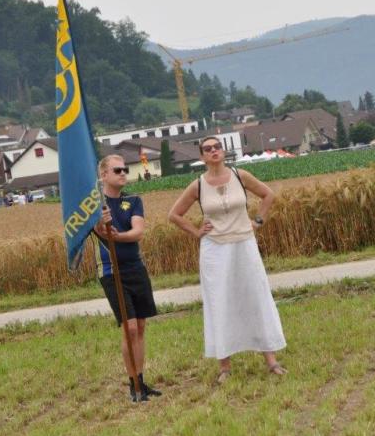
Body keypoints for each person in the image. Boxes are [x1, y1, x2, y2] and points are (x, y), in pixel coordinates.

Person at [168, 137, 287, 384]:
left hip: (244, 243)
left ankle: (271, 360)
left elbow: (268, 195)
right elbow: (174, 215)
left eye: (217, 147)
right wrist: (196, 232)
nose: (214, 151)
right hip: (214, 249)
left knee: (255, 295)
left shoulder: (240, 175)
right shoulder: (198, 185)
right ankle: (225, 367)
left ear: (223, 151)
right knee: (219, 301)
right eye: (208, 149)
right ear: (202, 156)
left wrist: (258, 222)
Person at [93, 154, 162, 402]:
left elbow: (138, 232)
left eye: (125, 169)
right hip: (111, 270)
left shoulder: (133, 200)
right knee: (129, 327)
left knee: (140, 326)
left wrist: (116, 235)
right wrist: (100, 225)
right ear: (104, 175)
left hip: (136, 267)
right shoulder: (94, 206)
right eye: (117, 170)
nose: (123, 173)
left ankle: (140, 380)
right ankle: (133, 384)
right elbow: (96, 231)